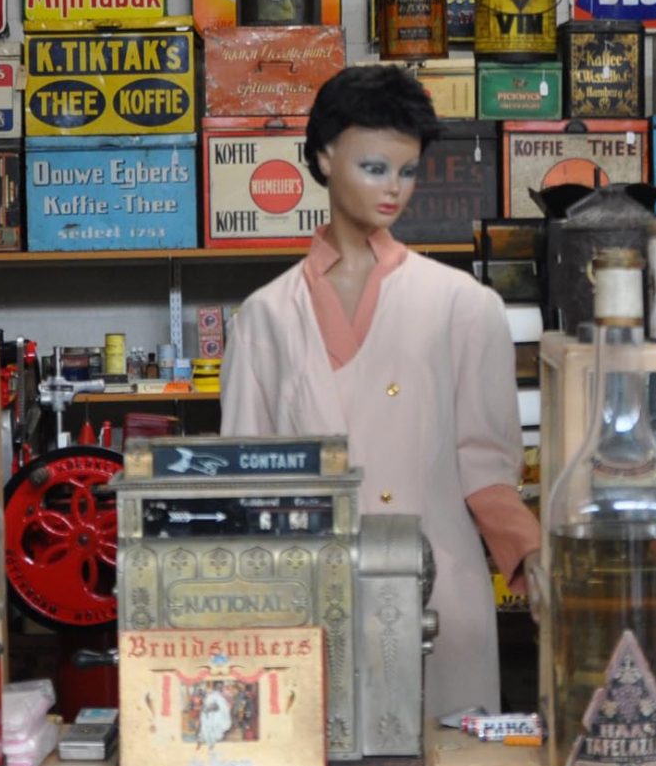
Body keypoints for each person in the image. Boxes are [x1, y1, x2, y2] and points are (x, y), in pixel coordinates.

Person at [221, 67, 537, 719]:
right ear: (323, 156)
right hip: (309, 604)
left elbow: (487, 468)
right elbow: (245, 485)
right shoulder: (264, 317)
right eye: (374, 167)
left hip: (439, 602)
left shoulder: (463, 305)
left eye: (407, 171)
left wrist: (534, 557)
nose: (394, 188)